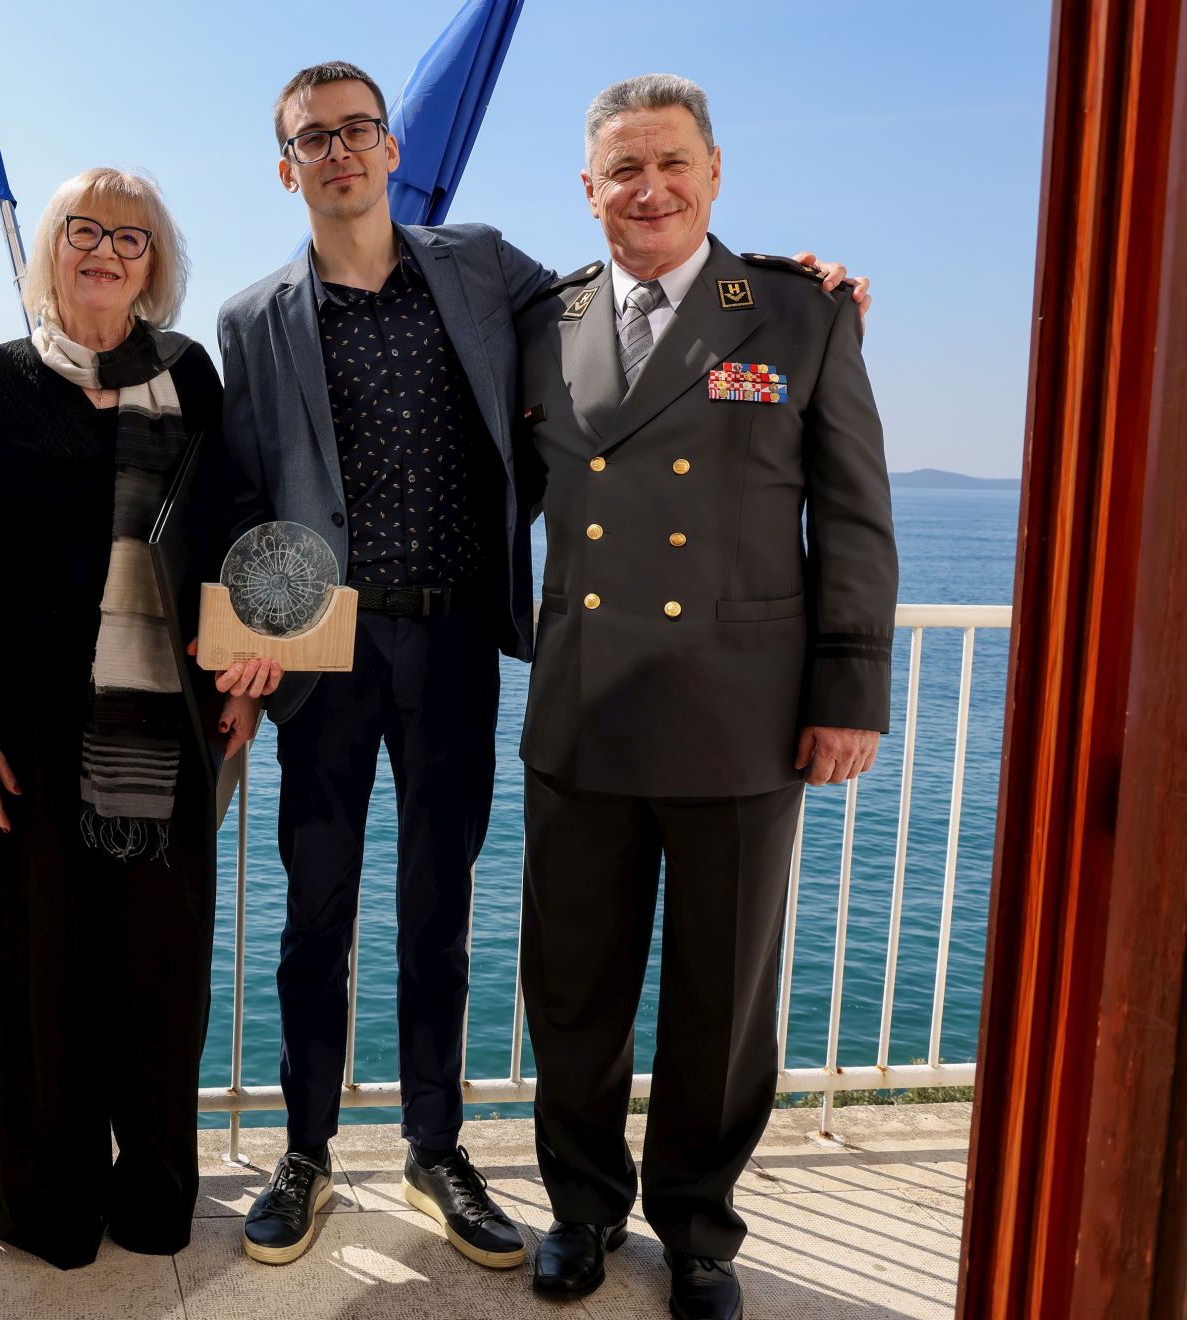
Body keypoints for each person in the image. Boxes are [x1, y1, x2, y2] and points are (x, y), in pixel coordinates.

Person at [216, 61, 867, 1274]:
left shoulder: (481, 270)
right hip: (323, 649)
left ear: (392, 148)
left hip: (457, 639)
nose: (340, 152)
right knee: (314, 915)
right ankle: (304, 1151)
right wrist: (249, 638)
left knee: (438, 914)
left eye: (359, 130)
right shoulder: (253, 319)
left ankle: (435, 1150)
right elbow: (246, 491)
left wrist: (802, 280)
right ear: (287, 166)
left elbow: (652, 283)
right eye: (314, 138)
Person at [512, 74, 897, 1320]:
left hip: (741, 714)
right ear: (588, 189)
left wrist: (851, 689)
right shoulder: (545, 320)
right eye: (624, 169)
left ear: (715, 171)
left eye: (672, 162)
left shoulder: (797, 312)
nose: (651, 189)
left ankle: (698, 1231)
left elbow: (853, 517)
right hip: (584, 710)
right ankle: (580, 1211)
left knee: (722, 1002)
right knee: (574, 990)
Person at [0, 168, 259, 1269]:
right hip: (27, 723)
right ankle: (47, 1206)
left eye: (132, 238)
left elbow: (229, 531)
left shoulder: (190, 375)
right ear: (51, 248)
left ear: (154, 262)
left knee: (161, 973)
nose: (107, 253)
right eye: (85, 231)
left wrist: (246, 673)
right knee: (44, 970)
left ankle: (156, 1199)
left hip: (165, 721)